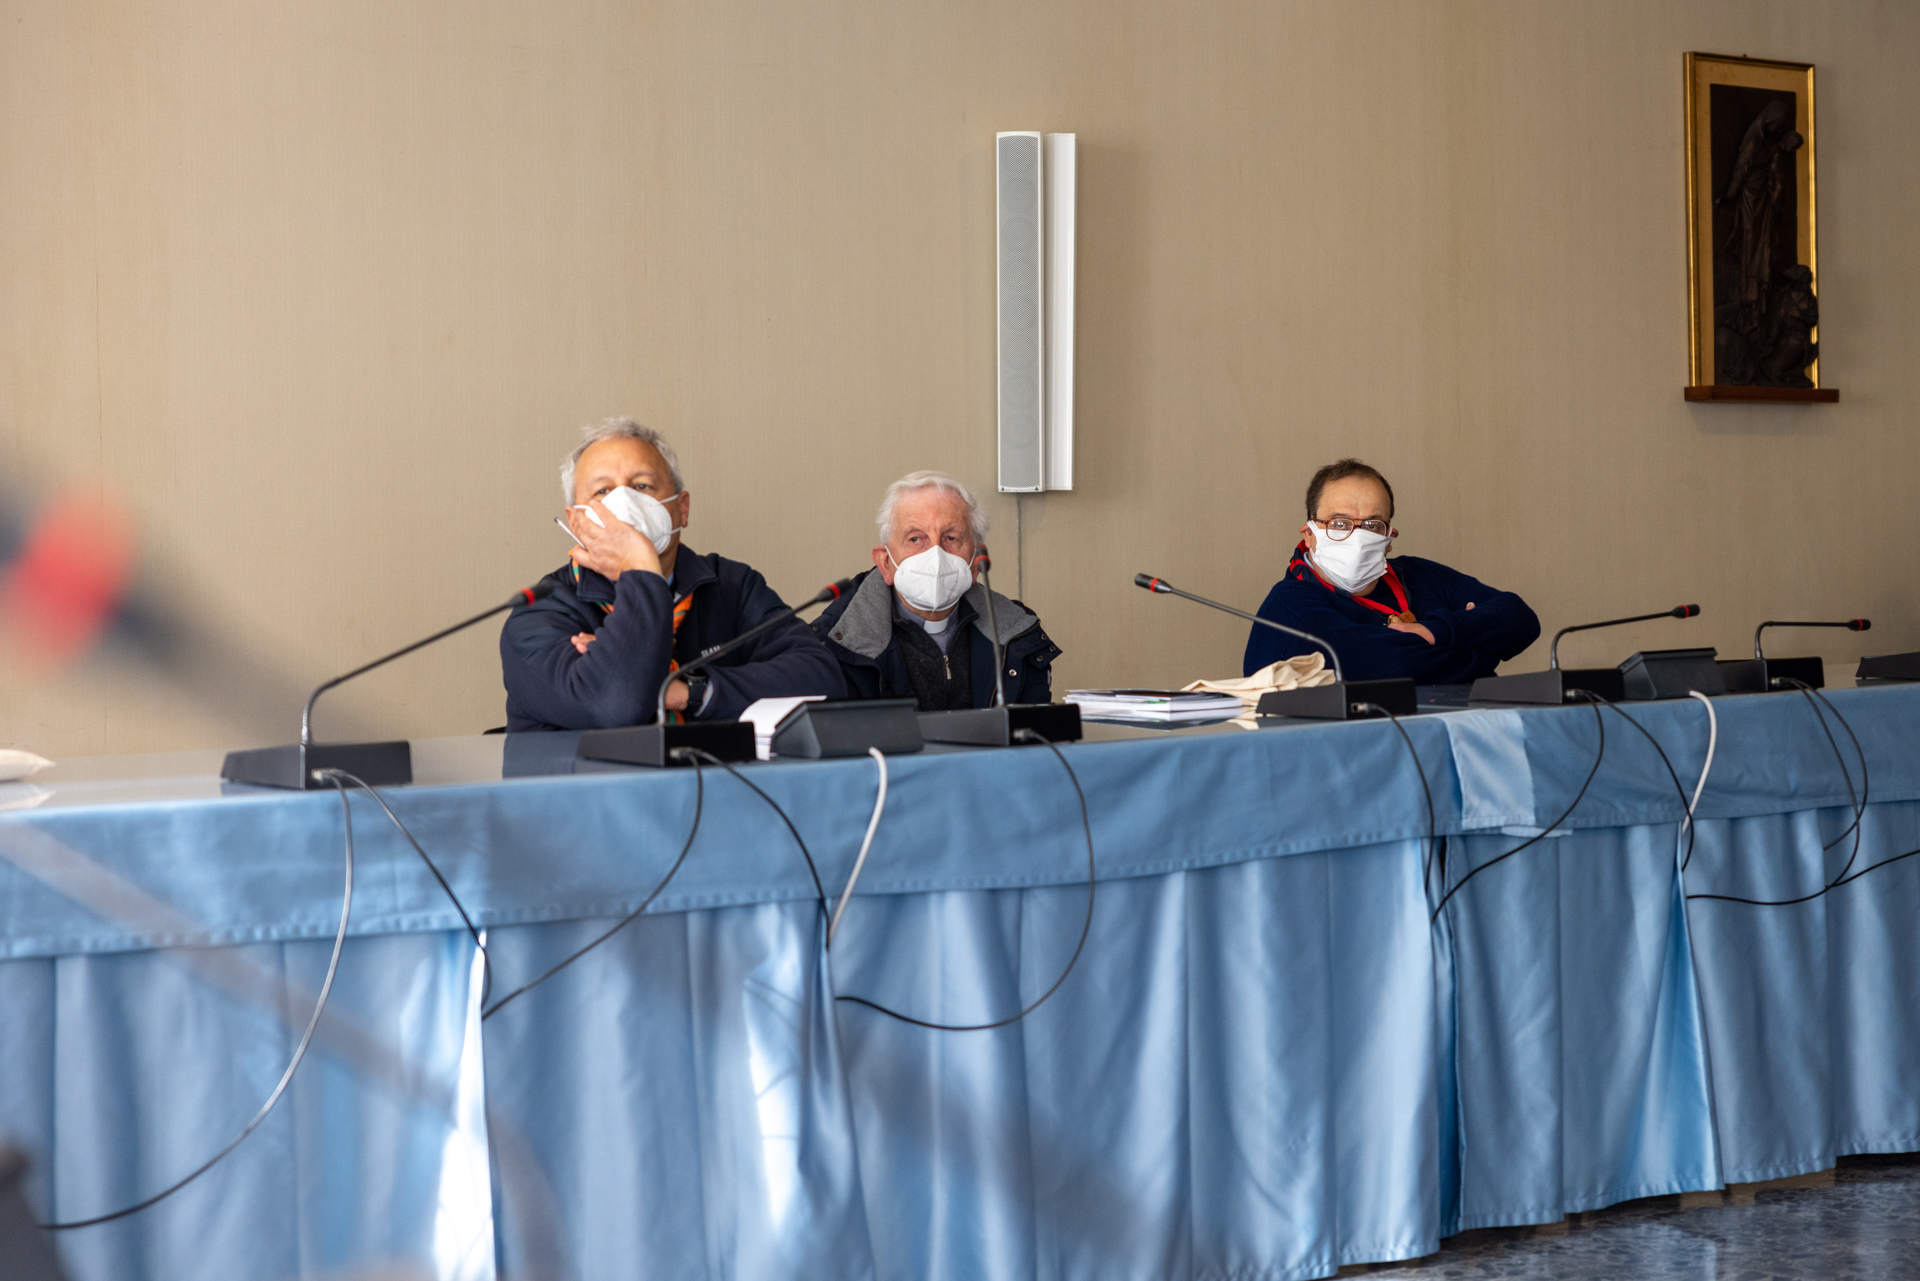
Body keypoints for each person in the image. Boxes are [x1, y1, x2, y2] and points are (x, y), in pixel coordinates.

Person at [500, 418, 844, 731]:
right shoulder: (539, 611)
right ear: (575, 522)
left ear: (682, 508)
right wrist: (640, 569)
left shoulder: (731, 585)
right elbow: (614, 704)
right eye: (602, 491)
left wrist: (688, 692)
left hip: (716, 777)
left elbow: (823, 680)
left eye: (642, 486)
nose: (624, 501)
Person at [1245, 459, 1539, 684]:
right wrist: (1483, 649)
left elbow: (1520, 618)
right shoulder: (1290, 606)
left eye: (1373, 525)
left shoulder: (1420, 574)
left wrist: (1435, 631)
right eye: (1339, 523)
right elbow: (1393, 667)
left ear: (1389, 538)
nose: (1357, 537)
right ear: (1309, 534)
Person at [813, 470, 1060, 709]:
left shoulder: (1017, 634)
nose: (936, 555)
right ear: (885, 563)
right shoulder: (830, 645)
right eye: (915, 538)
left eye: (951, 538)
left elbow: (1035, 732)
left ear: (976, 562)